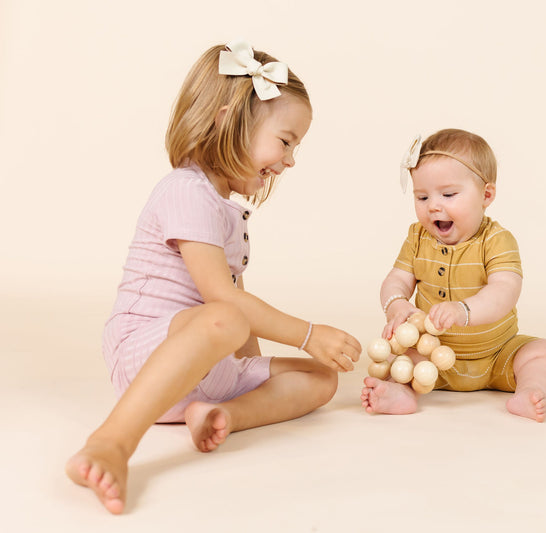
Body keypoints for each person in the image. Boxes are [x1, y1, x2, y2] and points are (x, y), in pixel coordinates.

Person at [65, 40, 361, 515]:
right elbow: (221, 298)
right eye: (285, 141)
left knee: (320, 379)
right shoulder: (186, 191)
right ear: (228, 120)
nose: (289, 161)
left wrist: (246, 373)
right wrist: (307, 333)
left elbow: (234, 296)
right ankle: (112, 442)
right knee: (226, 318)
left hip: (205, 369)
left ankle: (223, 415)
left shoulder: (227, 209)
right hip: (148, 353)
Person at [361, 129, 546, 421]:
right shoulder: (418, 238)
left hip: (497, 355)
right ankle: (403, 393)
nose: (433, 205)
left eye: (448, 194)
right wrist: (397, 306)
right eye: (422, 196)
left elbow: (505, 290)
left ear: (486, 195)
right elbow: (397, 279)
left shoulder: (496, 240)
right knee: (402, 360)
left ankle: (529, 391)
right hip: (432, 356)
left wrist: (463, 311)